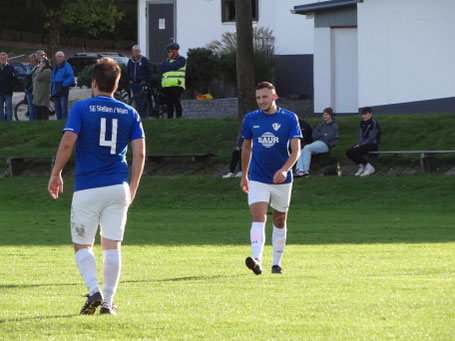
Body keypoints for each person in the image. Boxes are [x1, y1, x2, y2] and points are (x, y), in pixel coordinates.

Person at [48, 58, 146, 315]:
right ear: (117, 84)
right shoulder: (130, 112)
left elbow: (68, 142)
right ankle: (108, 303)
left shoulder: (81, 108)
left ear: (93, 82)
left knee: (83, 245)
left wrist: (56, 173)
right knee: (112, 246)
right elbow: (140, 154)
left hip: (88, 187)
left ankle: (94, 290)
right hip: (118, 187)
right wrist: (132, 188)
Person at [240, 81, 302, 275]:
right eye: (258, 98)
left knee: (279, 221)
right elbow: (246, 147)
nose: (261, 101)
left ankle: (276, 263)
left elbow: (296, 150)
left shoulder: (289, 118)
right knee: (258, 217)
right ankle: (257, 259)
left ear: (274, 97)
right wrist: (244, 175)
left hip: (282, 180)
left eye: (265, 97)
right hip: (258, 177)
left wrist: (284, 170)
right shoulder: (250, 119)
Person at [295, 107, 338, 176]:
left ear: (331, 115)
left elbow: (329, 137)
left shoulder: (334, 126)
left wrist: (322, 135)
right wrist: (323, 134)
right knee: (304, 149)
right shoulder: (321, 125)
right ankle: (299, 169)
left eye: (326, 114)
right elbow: (314, 135)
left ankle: (305, 170)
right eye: (323, 114)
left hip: (326, 145)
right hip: (317, 143)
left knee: (307, 148)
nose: (324, 116)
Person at [346, 106, 381, 177]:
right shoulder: (362, 123)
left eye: (365, 114)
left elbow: (371, 138)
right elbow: (362, 137)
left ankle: (369, 167)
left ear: (370, 114)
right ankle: (361, 166)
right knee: (349, 151)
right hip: (364, 144)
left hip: (372, 144)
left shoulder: (374, 123)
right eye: (362, 114)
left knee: (355, 151)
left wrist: (361, 145)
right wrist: (359, 144)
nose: (363, 116)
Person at [160, 42, 186, 119]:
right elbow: (161, 68)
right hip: (166, 86)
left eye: (169, 51)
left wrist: (167, 66)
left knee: (176, 103)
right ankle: (169, 119)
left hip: (176, 85)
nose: (168, 53)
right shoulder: (167, 61)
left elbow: (175, 66)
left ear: (175, 51)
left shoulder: (181, 59)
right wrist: (169, 66)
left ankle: (178, 119)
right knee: (169, 104)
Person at [127, 45, 153, 118]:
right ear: (132, 52)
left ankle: (144, 116)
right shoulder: (130, 61)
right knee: (136, 100)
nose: (135, 53)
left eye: (137, 51)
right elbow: (128, 71)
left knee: (142, 101)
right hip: (133, 83)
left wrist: (145, 79)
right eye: (134, 51)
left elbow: (149, 71)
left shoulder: (144, 60)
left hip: (142, 83)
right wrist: (129, 80)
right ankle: (138, 116)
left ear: (139, 52)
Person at [51, 51, 75, 120]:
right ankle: (59, 123)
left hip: (63, 91)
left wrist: (63, 84)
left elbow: (71, 79)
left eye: (60, 56)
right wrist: (52, 92)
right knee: (57, 109)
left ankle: (64, 123)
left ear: (64, 58)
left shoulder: (67, 66)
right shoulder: (55, 67)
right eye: (57, 57)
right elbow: (53, 80)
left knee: (63, 109)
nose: (58, 58)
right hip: (56, 91)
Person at [0, 52, 17, 121]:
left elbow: (15, 79)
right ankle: (1, 122)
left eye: (4, 58)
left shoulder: (11, 68)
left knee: (9, 108)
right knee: (0, 109)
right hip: (0, 92)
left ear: (7, 59)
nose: (3, 59)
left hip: (8, 93)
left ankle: (9, 123)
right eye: (1, 58)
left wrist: (10, 88)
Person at [24, 54, 39, 120]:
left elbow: (35, 81)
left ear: (36, 61)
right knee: (30, 108)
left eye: (33, 61)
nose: (31, 63)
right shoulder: (28, 68)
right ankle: (31, 121)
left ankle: (34, 121)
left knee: (34, 108)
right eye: (30, 61)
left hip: (34, 91)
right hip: (28, 91)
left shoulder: (37, 69)